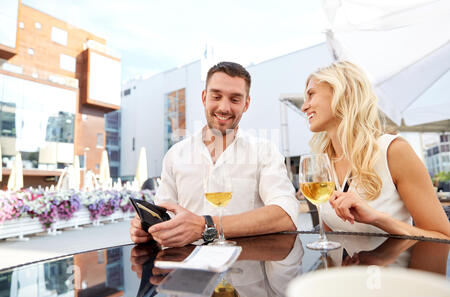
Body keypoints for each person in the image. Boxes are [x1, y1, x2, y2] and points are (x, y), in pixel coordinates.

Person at [130, 61, 298, 247]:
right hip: (187, 269)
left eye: (235, 99)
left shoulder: (264, 151)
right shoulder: (175, 155)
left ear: (246, 104)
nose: (224, 107)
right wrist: (148, 229)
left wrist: (205, 226)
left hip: (245, 268)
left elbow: (286, 214)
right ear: (204, 97)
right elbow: (163, 215)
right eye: (216, 96)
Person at [300, 60, 450, 240]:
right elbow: (332, 239)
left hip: (395, 267)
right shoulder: (324, 162)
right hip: (347, 269)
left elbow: (443, 237)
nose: (304, 106)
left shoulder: (393, 151)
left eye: (311, 94)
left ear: (343, 94)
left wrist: (378, 219)